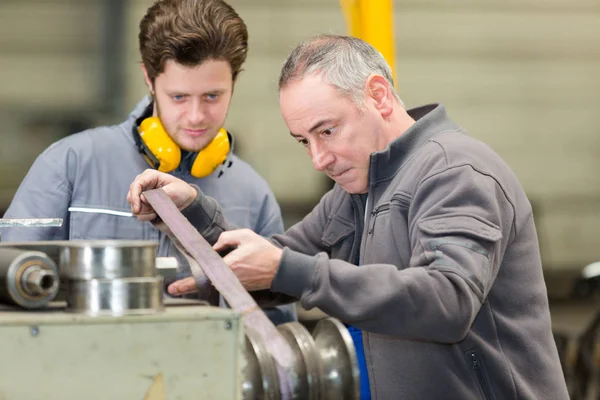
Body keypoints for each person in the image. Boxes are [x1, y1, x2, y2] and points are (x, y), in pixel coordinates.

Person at [127, 35, 569, 399]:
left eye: (327, 130)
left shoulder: (455, 173)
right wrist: (194, 213)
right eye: (304, 140)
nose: (319, 158)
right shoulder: (357, 187)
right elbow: (281, 264)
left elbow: (447, 300)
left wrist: (290, 271)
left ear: (377, 96)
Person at [0, 0, 296, 325]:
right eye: (179, 97)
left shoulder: (253, 195)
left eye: (212, 96)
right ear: (148, 77)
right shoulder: (68, 165)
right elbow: (10, 278)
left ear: (234, 82)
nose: (196, 116)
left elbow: (276, 328)